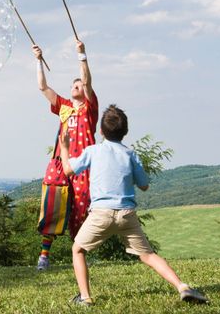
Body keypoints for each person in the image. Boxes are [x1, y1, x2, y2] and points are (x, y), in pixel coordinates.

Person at [59, 104, 209, 306]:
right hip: (127, 214)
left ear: (101, 131)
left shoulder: (93, 151)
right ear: (125, 132)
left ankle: (85, 298)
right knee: (148, 255)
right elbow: (145, 185)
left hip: (101, 214)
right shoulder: (131, 155)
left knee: (78, 249)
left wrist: (65, 148)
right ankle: (182, 287)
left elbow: (68, 170)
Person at [33, 39, 98, 270]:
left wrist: (82, 56)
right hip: (61, 164)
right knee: (53, 206)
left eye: (79, 85)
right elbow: (43, 88)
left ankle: (79, 255)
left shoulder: (90, 109)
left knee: (81, 210)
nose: (76, 86)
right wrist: (39, 60)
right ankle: (44, 256)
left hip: (82, 168)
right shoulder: (64, 107)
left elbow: (88, 81)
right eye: (74, 85)